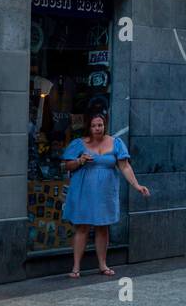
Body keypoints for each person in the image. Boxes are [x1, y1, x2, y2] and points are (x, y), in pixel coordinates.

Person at [62, 112, 150, 277]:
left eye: (100, 125)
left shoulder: (116, 143)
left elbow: (125, 167)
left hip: (105, 192)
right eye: (94, 125)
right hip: (84, 191)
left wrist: (137, 185)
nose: (97, 128)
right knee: (82, 227)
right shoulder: (79, 144)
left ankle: (103, 265)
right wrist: (80, 161)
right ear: (89, 127)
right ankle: (76, 267)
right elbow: (67, 166)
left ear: (105, 126)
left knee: (103, 227)